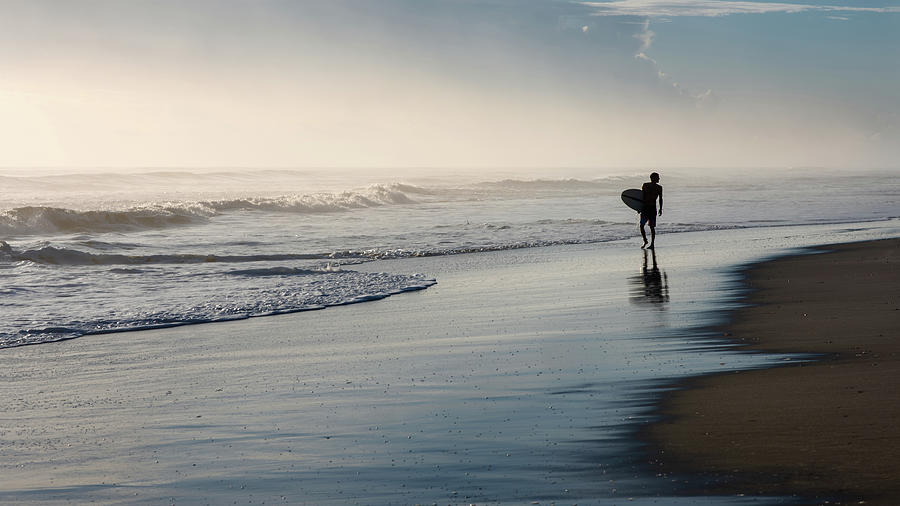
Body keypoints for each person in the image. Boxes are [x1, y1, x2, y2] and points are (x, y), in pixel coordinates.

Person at [640, 172, 663, 249]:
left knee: (651, 227)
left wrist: (660, 208)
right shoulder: (645, 185)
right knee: (642, 225)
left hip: (651, 209)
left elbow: (660, 199)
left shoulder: (659, 188)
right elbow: (642, 197)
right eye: (657, 177)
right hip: (646, 208)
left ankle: (652, 244)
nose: (659, 179)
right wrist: (639, 207)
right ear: (653, 178)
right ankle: (645, 240)